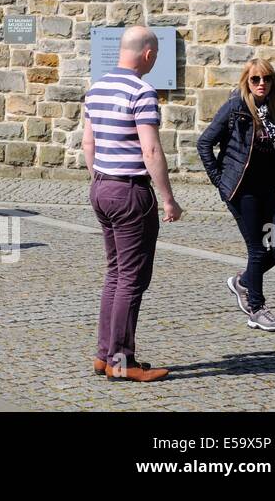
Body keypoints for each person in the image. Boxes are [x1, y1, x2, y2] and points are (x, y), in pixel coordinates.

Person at [82, 25, 182, 382]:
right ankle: (121, 361)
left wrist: (99, 178)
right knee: (132, 278)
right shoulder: (141, 91)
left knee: (115, 273)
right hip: (130, 191)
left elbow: (88, 145)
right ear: (149, 54)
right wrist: (168, 199)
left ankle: (103, 354)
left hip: (101, 187)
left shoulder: (97, 88)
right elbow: (151, 149)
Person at [197, 59, 275, 333]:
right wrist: (220, 183)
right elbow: (204, 143)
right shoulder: (236, 107)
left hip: (266, 188)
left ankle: (243, 281)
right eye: (255, 79)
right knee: (257, 249)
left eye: (266, 79)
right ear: (246, 81)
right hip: (241, 189)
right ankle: (256, 308)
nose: (261, 84)